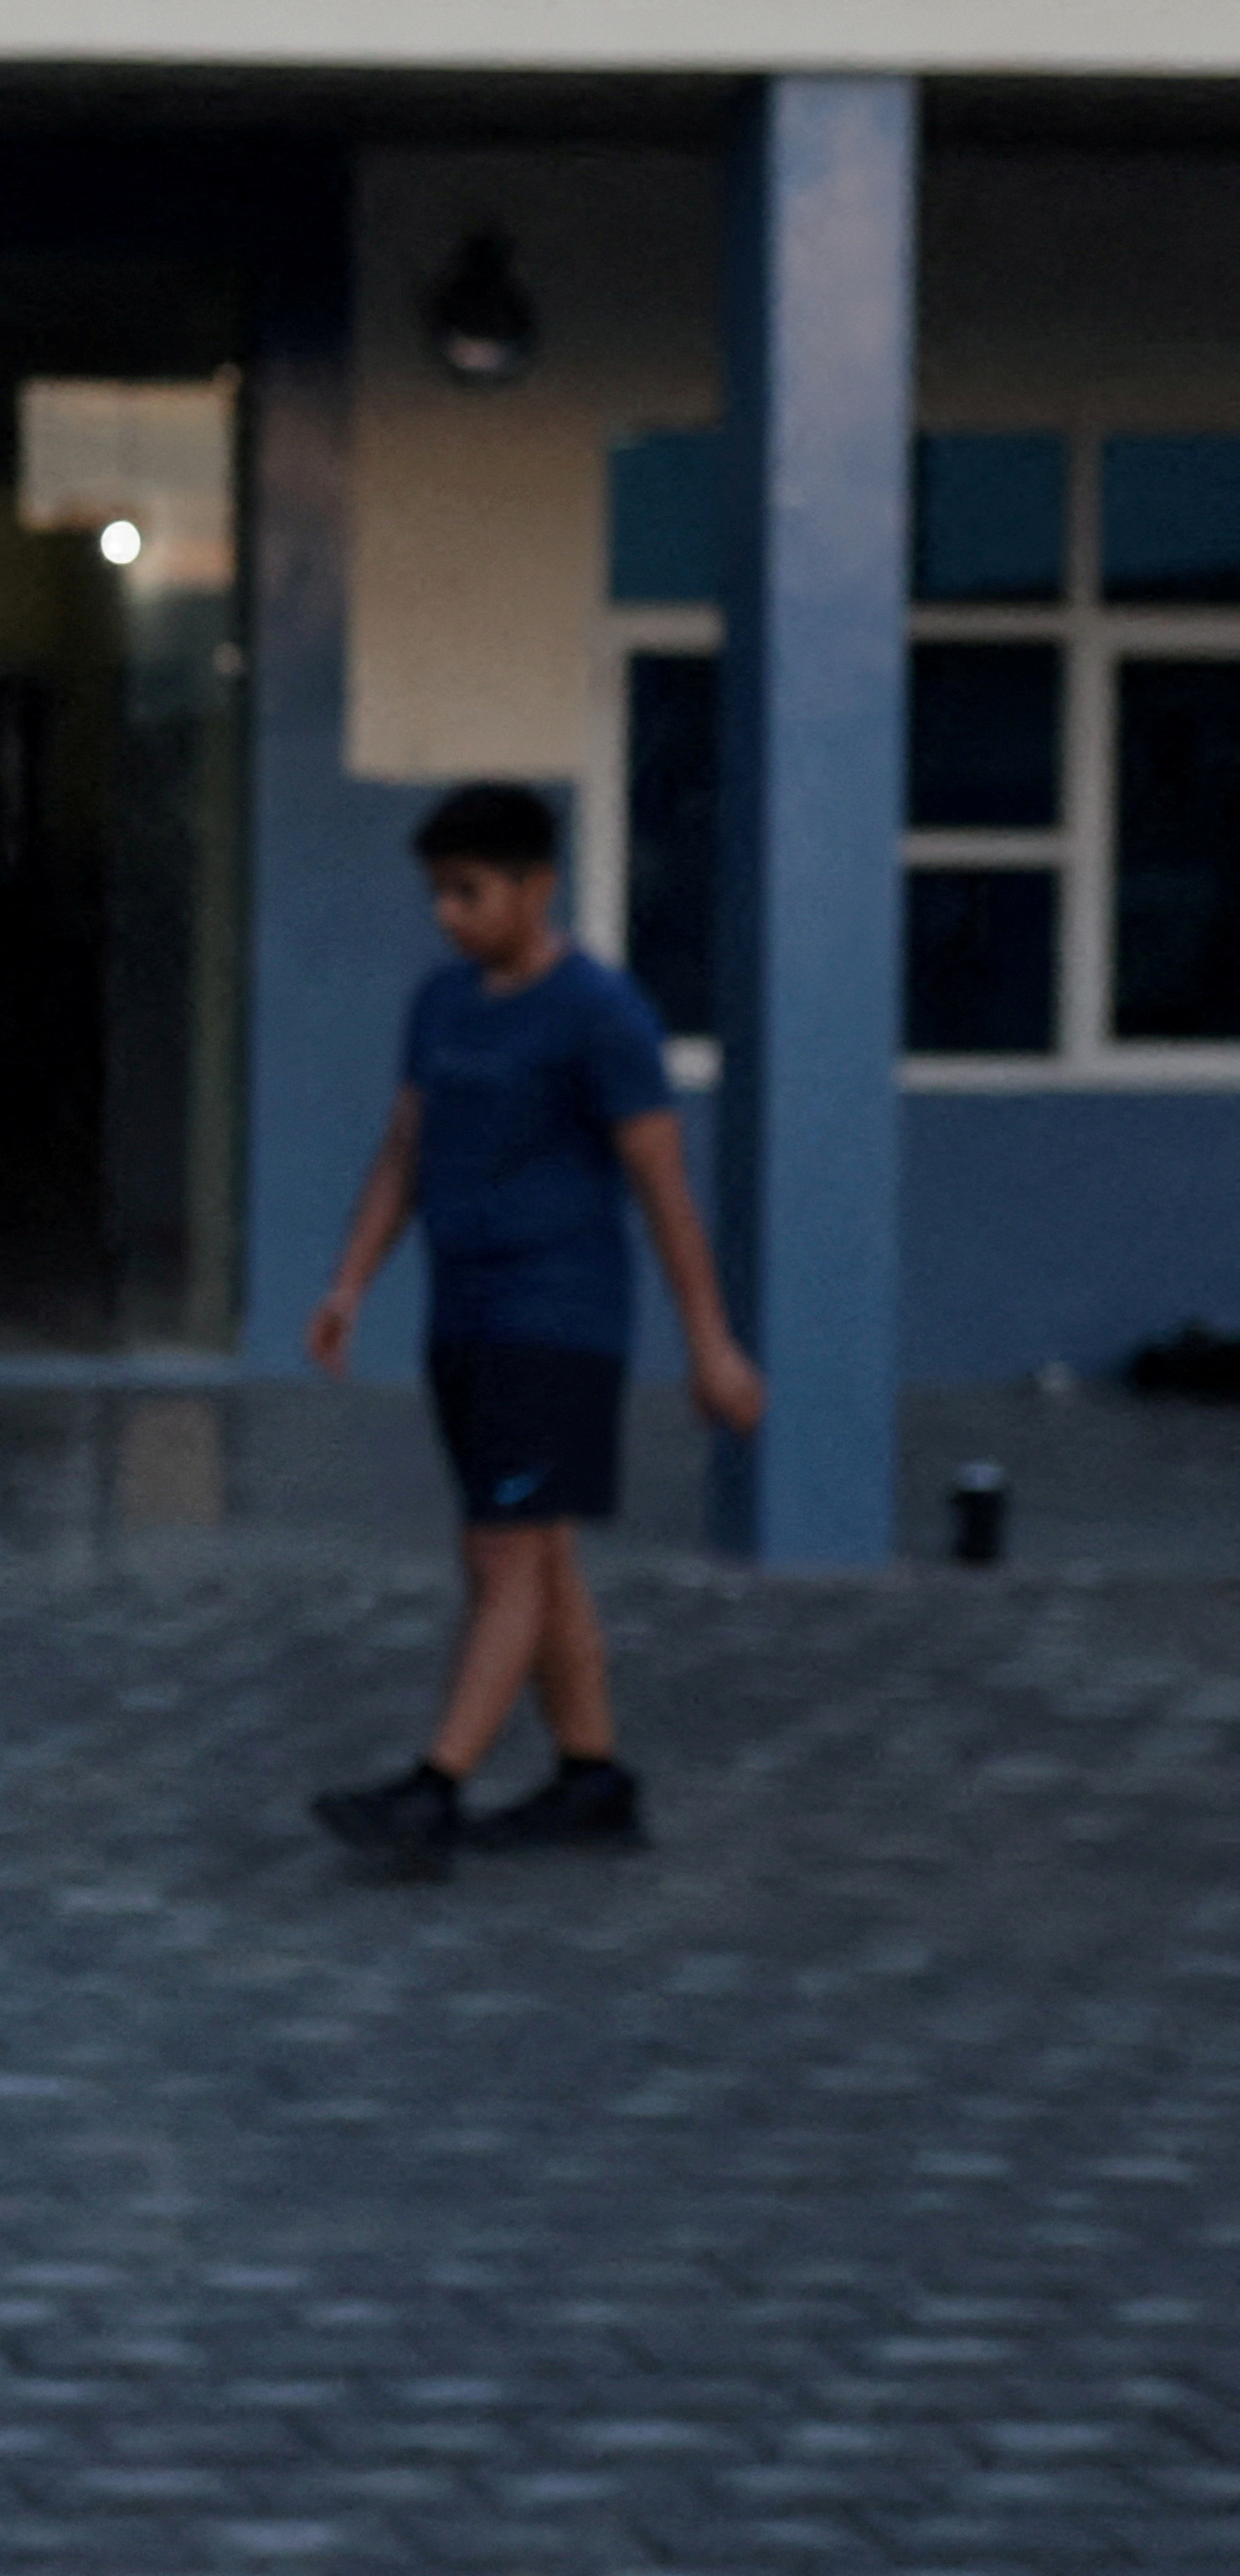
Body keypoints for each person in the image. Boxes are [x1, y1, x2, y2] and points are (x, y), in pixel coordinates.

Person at [301, 781, 760, 1880]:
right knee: (531, 1549)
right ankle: (592, 1779)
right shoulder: (442, 1004)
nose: (450, 916)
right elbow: (405, 1146)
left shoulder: (601, 1014)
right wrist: (350, 1280)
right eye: (438, 895)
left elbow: (660, 1183)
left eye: (470, 892)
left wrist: (711, 1338)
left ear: (537, 887)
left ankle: (435, 1789)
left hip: (556, 1319)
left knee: (505, 1553)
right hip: (463, 1312)